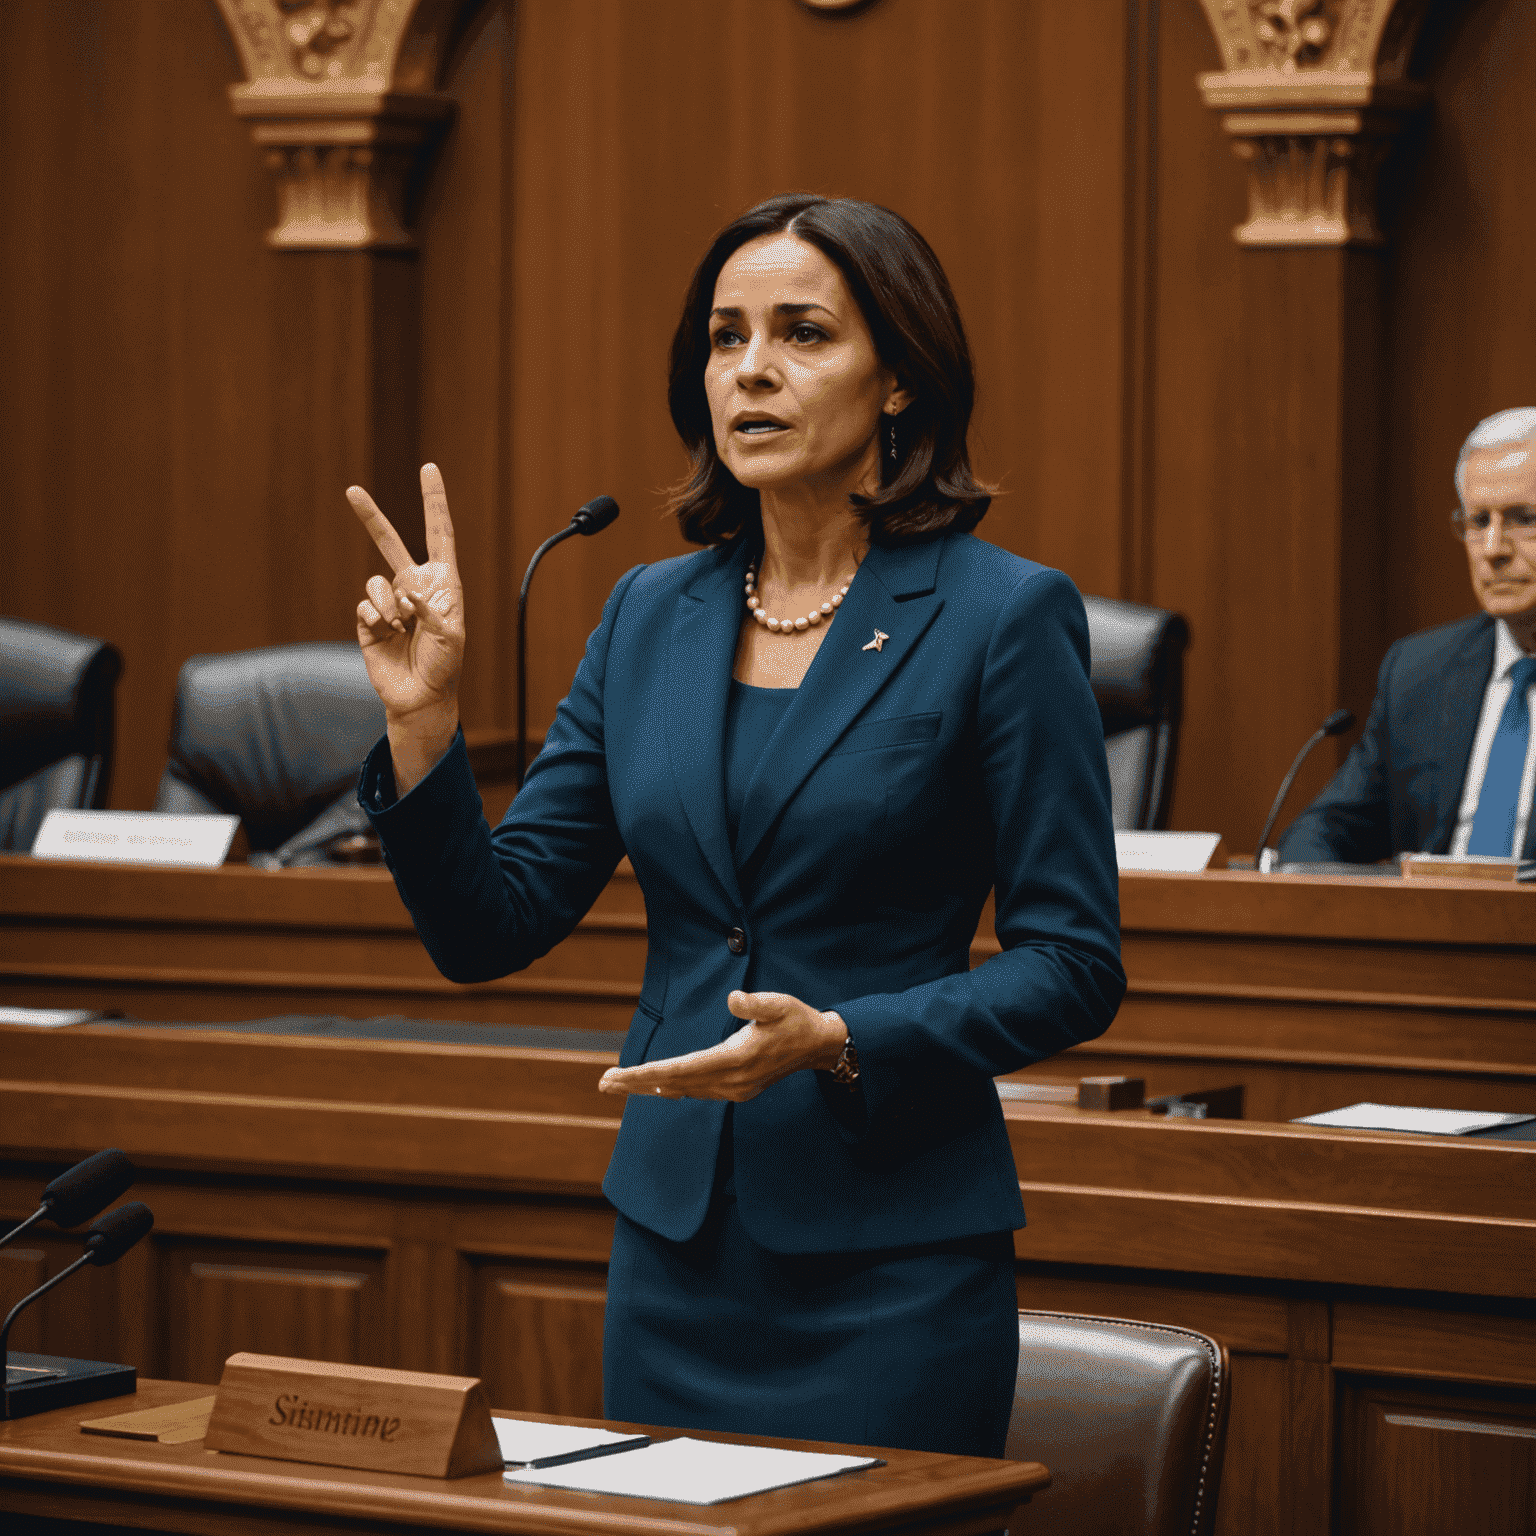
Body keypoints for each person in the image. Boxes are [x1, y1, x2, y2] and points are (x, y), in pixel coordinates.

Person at [345, 194, 1124, 1456]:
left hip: (895, 1263)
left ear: (900, 384)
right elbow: (490, 929)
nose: (750, 369)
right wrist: (424, 723)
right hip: (676, 1253)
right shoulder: (651, 613)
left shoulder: (1002, 616)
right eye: (724, 336)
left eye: (803, 334)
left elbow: (1075, 965)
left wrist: (841, 1039)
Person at [1279, 407, 1536, 864]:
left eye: (1522, 519)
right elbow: (1324, 831)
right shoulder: (1421, 671)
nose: (1493, 549)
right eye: (1478, 522)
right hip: (1427, 930)